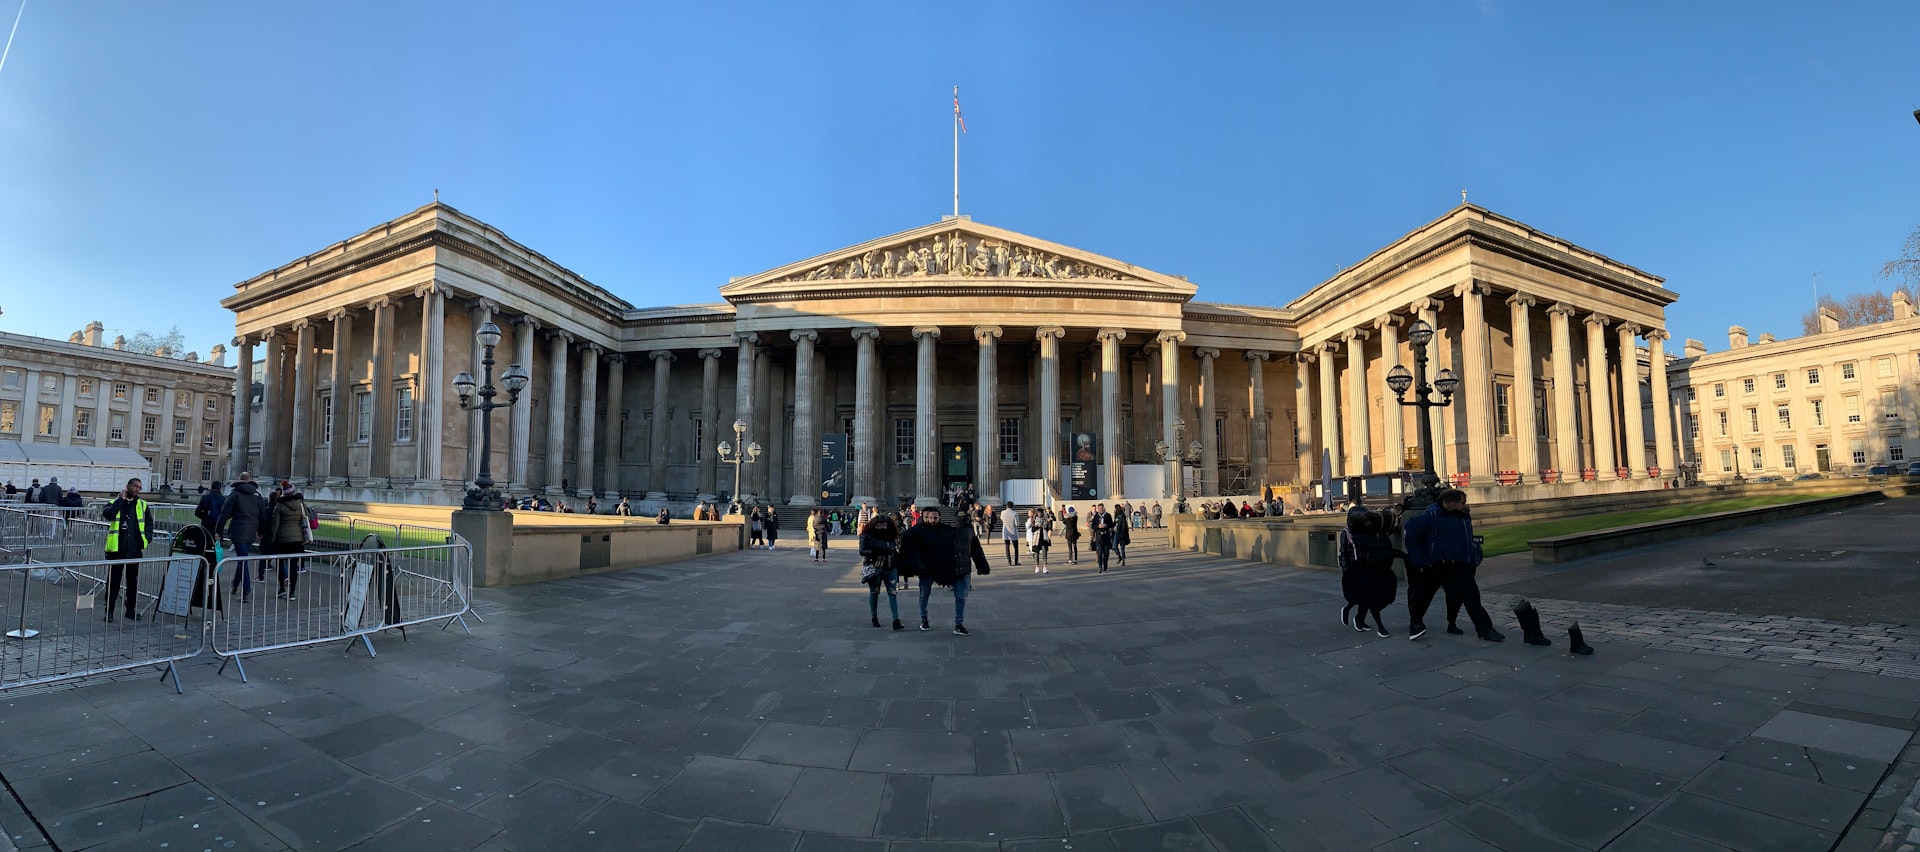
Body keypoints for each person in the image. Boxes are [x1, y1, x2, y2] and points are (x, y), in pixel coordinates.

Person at [1404, 489, 1500, 642]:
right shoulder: (1429, 517)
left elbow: (1468, 538)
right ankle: (1416, 623)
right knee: (1423, 596)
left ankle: (1485, 629)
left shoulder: (1463, 516)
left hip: (1459, 565)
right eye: (1462, 502)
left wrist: (1475, 555)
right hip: (1435, 565)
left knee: (1471, 597)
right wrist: (1419, 560)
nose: (1465, 505)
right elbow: (1411, 535)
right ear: (1448, 503)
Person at [897, 506, 990, 635]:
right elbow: (909, 547)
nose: (932, 520)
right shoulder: (917, 531)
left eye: (935, 518)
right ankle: (924, 619)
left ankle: (958, 624)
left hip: (947, 568)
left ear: (939, 518)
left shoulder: (948, 531)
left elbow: (971, 547)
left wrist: (981, 565)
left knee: (960, 597)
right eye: (929, 518)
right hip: (926, 569)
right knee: (924, 594)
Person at [1339, 507, 1400, 638]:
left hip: (1367, 568)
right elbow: (1344, 554)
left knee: (1366, 597)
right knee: (1365, 596)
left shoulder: (1369, 532)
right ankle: (1379, 626)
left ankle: (1358, 618)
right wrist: (1347, 571)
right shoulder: (1347, 533)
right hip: (1356, 569)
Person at [101, 478, 153, 622]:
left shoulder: (142, 504)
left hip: (134, 549)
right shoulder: (115, 502)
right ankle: (109, 611)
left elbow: (149, 523)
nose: (137, 489)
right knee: (113, 582)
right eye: (135, 486)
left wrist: (147, 539)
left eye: (140, 487)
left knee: (132, 582)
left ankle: (130, 610)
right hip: (117, 549)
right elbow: (108, 515)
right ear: (128, 486)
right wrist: (120, 500)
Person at [216, 473, 269, 600]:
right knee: (242, 558)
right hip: (251, 531)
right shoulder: (257, 496)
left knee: (243, 560)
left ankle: (246, 590)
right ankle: (235, 584)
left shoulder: (235, 494)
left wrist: (218, 530)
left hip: (238, 531)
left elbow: (224, 513)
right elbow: (263, 515)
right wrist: (261, 531)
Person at [859, 513, 905, 630]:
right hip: (876, 567)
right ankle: (874, 617)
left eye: (884, 525)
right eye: (879, 525)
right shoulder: (867, 536)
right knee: (874, 592)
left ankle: (896, 620)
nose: (882, 528)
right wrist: (875, 551)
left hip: (891, 567)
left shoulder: (892, 536)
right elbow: (862, 551)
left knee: (892, 593)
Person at [265, 481, 309, 601]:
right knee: (293, 566)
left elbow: (275, 525)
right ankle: (292, 593)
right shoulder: (300, 504)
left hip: (282, 540)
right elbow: (307, 516)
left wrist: (272, 540)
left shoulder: (279, 505)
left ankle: (282, 589)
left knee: (280, 564)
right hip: (297, 539)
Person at [1088, 503, 1116, 572]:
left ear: (1104, 508)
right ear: (1098, 509)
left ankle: (1105, 563)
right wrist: (1098, 526)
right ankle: (1100, 567)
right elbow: (1093, 526)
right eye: (1099, 508)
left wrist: (1106, 525)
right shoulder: (1096, 516)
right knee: (1099, 552)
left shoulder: (1108, 515)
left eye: (1102, 508)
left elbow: (1112, 524)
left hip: (1106, 537)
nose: (1101, 509)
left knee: (1106, 553)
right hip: (1099, 537)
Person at [1026, 508, 1051, 573]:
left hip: (1044, 538)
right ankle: (1037, 567)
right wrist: (1037, 526)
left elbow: (1048, 528)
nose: (1040, 514)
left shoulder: (1045, 520)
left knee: (1044, 553)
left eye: (1041, 513)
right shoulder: (1034, 520)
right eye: (1038, 513)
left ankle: (1045, 567)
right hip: (1036, 539)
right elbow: (1032, 529)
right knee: (1036, 554)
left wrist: (1047, 523)